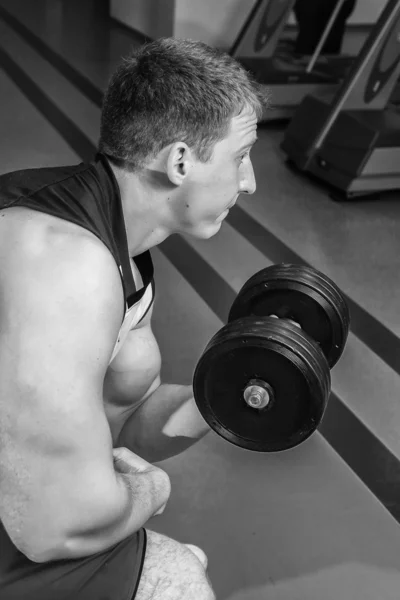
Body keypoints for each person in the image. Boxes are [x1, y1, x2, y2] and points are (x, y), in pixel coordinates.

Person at [0, 37, 262, 599]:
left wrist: (228, 389)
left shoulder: (121, 242)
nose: (249, 181)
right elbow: (54, 525)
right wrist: (153, 489)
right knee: (181, 580)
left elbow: (123, 412)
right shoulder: (66, 265)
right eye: (240, 156)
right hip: (31, 521)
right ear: (181, 161)